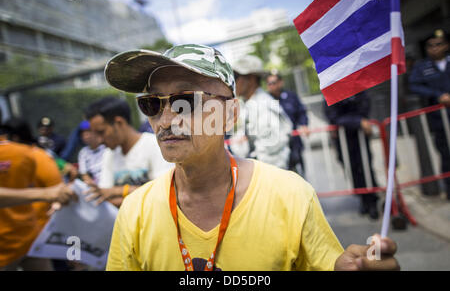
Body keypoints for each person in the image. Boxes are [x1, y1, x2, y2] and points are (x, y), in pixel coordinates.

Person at [103, 44, 399, 271]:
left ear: (230, 114)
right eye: (152, 104)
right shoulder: (135, 213)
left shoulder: (290, 195)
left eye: (185, 101)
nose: (165, 120)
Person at [0, 120, 76, 271]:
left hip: (36, 237)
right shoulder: (32, 153)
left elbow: (61, 183)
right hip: (32, 237)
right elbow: (61, 183)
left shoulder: (33, 154)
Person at [84, 96, 173, 206]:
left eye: (101, 132)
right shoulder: (109, 154)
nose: (99, 139)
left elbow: (163, 192)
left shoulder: (155, 145)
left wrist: (116, 191)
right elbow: (103, 195)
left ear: (119, 123)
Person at [229, 55, 293, 170]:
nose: (233, 82)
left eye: (236, 76)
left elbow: (273, 151)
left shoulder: (262, 106)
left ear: (251, 79)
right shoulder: (249, 104)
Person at [324, 91, 380, 220]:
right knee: (351, 169)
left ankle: (372, 200)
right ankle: (363, 199)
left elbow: (365, 108)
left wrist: (358, 121)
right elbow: (333, 117)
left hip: (359, 136)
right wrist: (358, 121)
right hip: (343, 139)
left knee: (366, 167)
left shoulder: (358, 90)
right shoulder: (331, 91)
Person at [408, 29, 450, 200]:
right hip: (439, 119)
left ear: (446, 45)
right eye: (430, 46)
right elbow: (414, 85)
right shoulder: (422, 67)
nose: (434, 48)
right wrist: (437, 95)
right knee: (445, 155)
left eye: (438, 44)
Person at [266, 74, 309, 174]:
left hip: (293, 142)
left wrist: (304, 125)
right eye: (269, 83)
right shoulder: (266, 100)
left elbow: (301, 112)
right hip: (277, 145)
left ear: (280, 82)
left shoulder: (291, 96)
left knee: (299, 173)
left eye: (273, 83)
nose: (271, 86)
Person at [77, 120, 106, 186]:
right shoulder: (83, 152)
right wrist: (93, 185)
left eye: (88, 132)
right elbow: (84, 174)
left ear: (95, 133)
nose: (86, 136)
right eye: (83, 134)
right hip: (95, 185)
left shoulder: (106, 146)